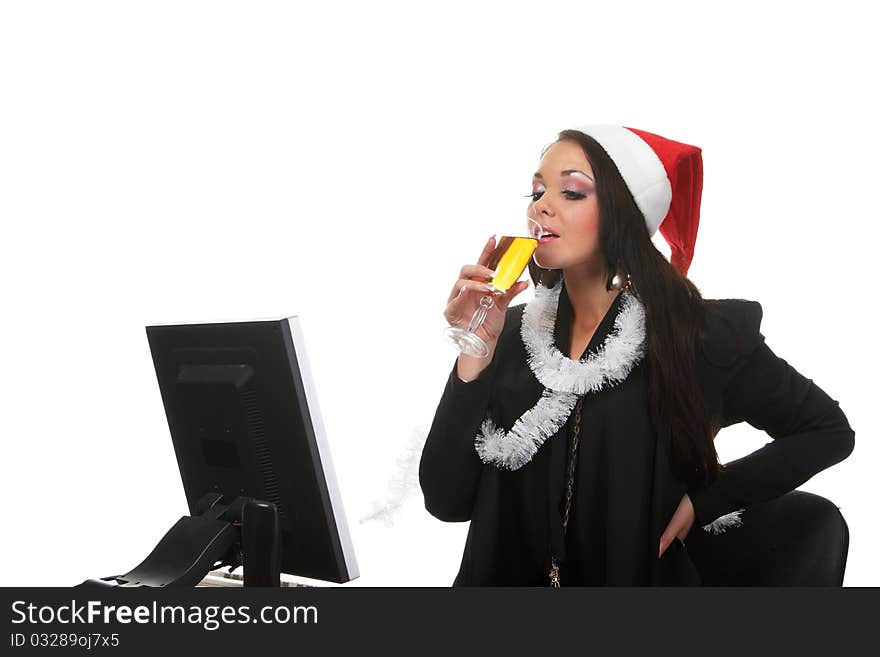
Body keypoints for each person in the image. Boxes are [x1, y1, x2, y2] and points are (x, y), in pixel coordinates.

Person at [418, 125, 856, 586]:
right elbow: (445, 501)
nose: (540, 205)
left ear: (623, 212)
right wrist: (475, 353)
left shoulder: (696, 336)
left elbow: (826, 431)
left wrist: (705, 501)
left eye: (571, 191)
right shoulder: (508, 334)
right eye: (536, 190)